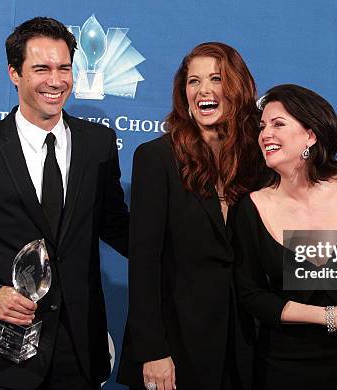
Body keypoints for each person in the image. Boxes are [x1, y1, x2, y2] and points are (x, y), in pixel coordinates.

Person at [0, 17, 129, 389]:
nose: (56, 80)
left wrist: (183, 250)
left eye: (64, 67)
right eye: (41, 69)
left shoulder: (98, 145)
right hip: (4, 356)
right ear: (14, 73)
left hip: (81, 350)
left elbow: (117, 227)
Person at [233, 84, 337, 390]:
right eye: (262, 127)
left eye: (278, 124)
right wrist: (328, 316)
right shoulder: (253, 206)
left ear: (310, 135)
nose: (265, 134)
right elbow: (252, 295)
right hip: (284, 366)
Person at [116, 42, 261, 390]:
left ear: (238, 88)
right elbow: (144, 261)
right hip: (177, 344)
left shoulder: (261, 159)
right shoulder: (157, 158)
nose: (204, 90)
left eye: (217, 78)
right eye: (193, 81)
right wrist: (153, 350)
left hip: (247, 344)